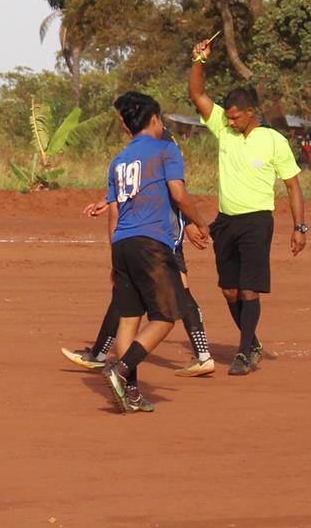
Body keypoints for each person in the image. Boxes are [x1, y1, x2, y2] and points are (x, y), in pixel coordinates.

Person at [189, 37, 307, 375]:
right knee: (229, 290)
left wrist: (300, 227)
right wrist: (200, 59)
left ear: (251, 114)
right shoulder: (225, 129)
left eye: (237, 117)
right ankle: (251, 342)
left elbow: (292, 186)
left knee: (250, 288)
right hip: (225, 221)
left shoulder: (273, 140)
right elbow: (197, 95)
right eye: (229, 117)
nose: (231, 122)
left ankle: (243, 354)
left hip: (257, 221)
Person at [61, 129, 215, 378]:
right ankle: (202, 355)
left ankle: (106, 359)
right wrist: (107, 199)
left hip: (158, 238)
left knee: (149, 300)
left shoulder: (162, 147)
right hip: (158, 235)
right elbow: (148, 186)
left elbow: (175, 195)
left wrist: (190, 224)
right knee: (172, 293)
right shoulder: (159, 149)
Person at [102, 91, 210, 413]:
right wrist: (199, 221)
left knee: (128, 320)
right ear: (153, 119)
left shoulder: (118, 160)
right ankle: (120, 370)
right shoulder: (167, 149)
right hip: (151, 243)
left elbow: (114, 212)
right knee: (167, 315)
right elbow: (178, 193)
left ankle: (131, 392)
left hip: (122, 244)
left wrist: (113, 257)